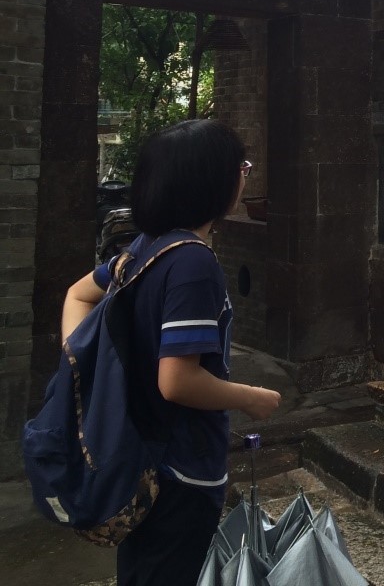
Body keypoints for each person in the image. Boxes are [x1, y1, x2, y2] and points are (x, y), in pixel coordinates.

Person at [61, 119, 281, 586]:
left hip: (137, 460)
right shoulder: (193, 262)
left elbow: (77, 295)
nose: (245, 176)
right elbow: (178, 380)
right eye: (241, 168)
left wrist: (84, 360)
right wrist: (251, 398)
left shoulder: (146, 248)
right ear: (212, 181)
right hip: (180, 470)